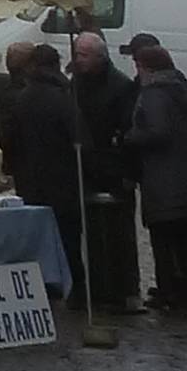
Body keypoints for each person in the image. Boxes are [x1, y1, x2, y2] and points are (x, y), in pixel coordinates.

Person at [123, 33, 187, 314]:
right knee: (185, 240)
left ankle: (171, 294)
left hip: (164, 180)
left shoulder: (153, 93)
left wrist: (128, 137)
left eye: (138, 64)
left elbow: (157, 132)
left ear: (146, 67)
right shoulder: (179, 87)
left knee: (164, 239)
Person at [0, 41, 87, 306]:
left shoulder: (22, 98)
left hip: (31, 178)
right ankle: (76, 286)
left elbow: (6, 138)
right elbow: (81, 138)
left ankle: (46, 283)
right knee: (69, 234)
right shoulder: (64, 97)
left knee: (38, 234)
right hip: (65, 178)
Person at [67, 29, 141, 316]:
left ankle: (126, 289)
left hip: (112, 167)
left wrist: (126, 169)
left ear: (100, 57)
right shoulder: (75, 84)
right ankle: (94, 286)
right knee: (89, 230)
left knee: (120, 231)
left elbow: (127, 130)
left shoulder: (120, 87)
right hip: (84, 165)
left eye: (83, 55)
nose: (79, 60)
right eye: (77, 55)